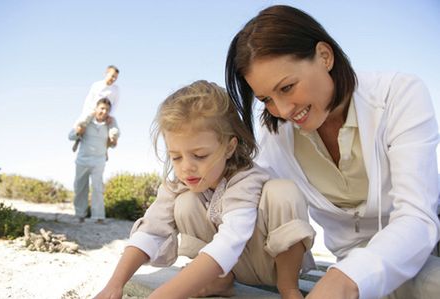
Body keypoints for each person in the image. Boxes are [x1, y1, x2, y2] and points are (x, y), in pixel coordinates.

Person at [225, 4, 440, 299]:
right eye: (267, 99)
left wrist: (347, 277)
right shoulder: (276, 136)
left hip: (424, 248)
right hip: (351, 268)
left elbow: (418, 218)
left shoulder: (399, 95)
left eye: (287, 87)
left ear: (324, 56)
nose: (283, 110)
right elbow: (247, 196)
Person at [94, 80, 316, 299]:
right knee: (185, 202)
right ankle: (219, 280)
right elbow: (151, 230)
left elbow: (231, 240)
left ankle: (289, 289)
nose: (186, 167)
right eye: (176, 157)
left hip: (269, 264)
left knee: (283, 192)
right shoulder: (180, 184)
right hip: (225, 266)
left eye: (199, 156)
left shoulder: (246, 178)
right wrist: (115, 284)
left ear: (229, 147)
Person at [69, 98, 120, 224]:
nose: (104, 111)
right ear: (96, 108)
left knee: (98, 188)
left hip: (99, 160)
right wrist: (78, 131)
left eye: (107, 109)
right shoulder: (85, 121)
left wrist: (113, 140)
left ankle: (98, 216)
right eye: (102, 108)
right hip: (82, 159)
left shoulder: (110, 124)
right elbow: (70, 136)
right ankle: (80, 214)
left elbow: (113, 144)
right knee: (80, 187)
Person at [72, 65, 120, 152]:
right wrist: (91, 111)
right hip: (93, 111)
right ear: (106, 74)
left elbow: (115, 104)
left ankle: (106, 149)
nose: (113, 79)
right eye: (112, 76)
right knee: (82, 123)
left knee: (113, 129)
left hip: (106, 113)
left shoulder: (116, 89)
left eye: (115, 78)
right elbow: (89, 100)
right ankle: (78, 139)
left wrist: (109, 115)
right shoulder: (97, 85)